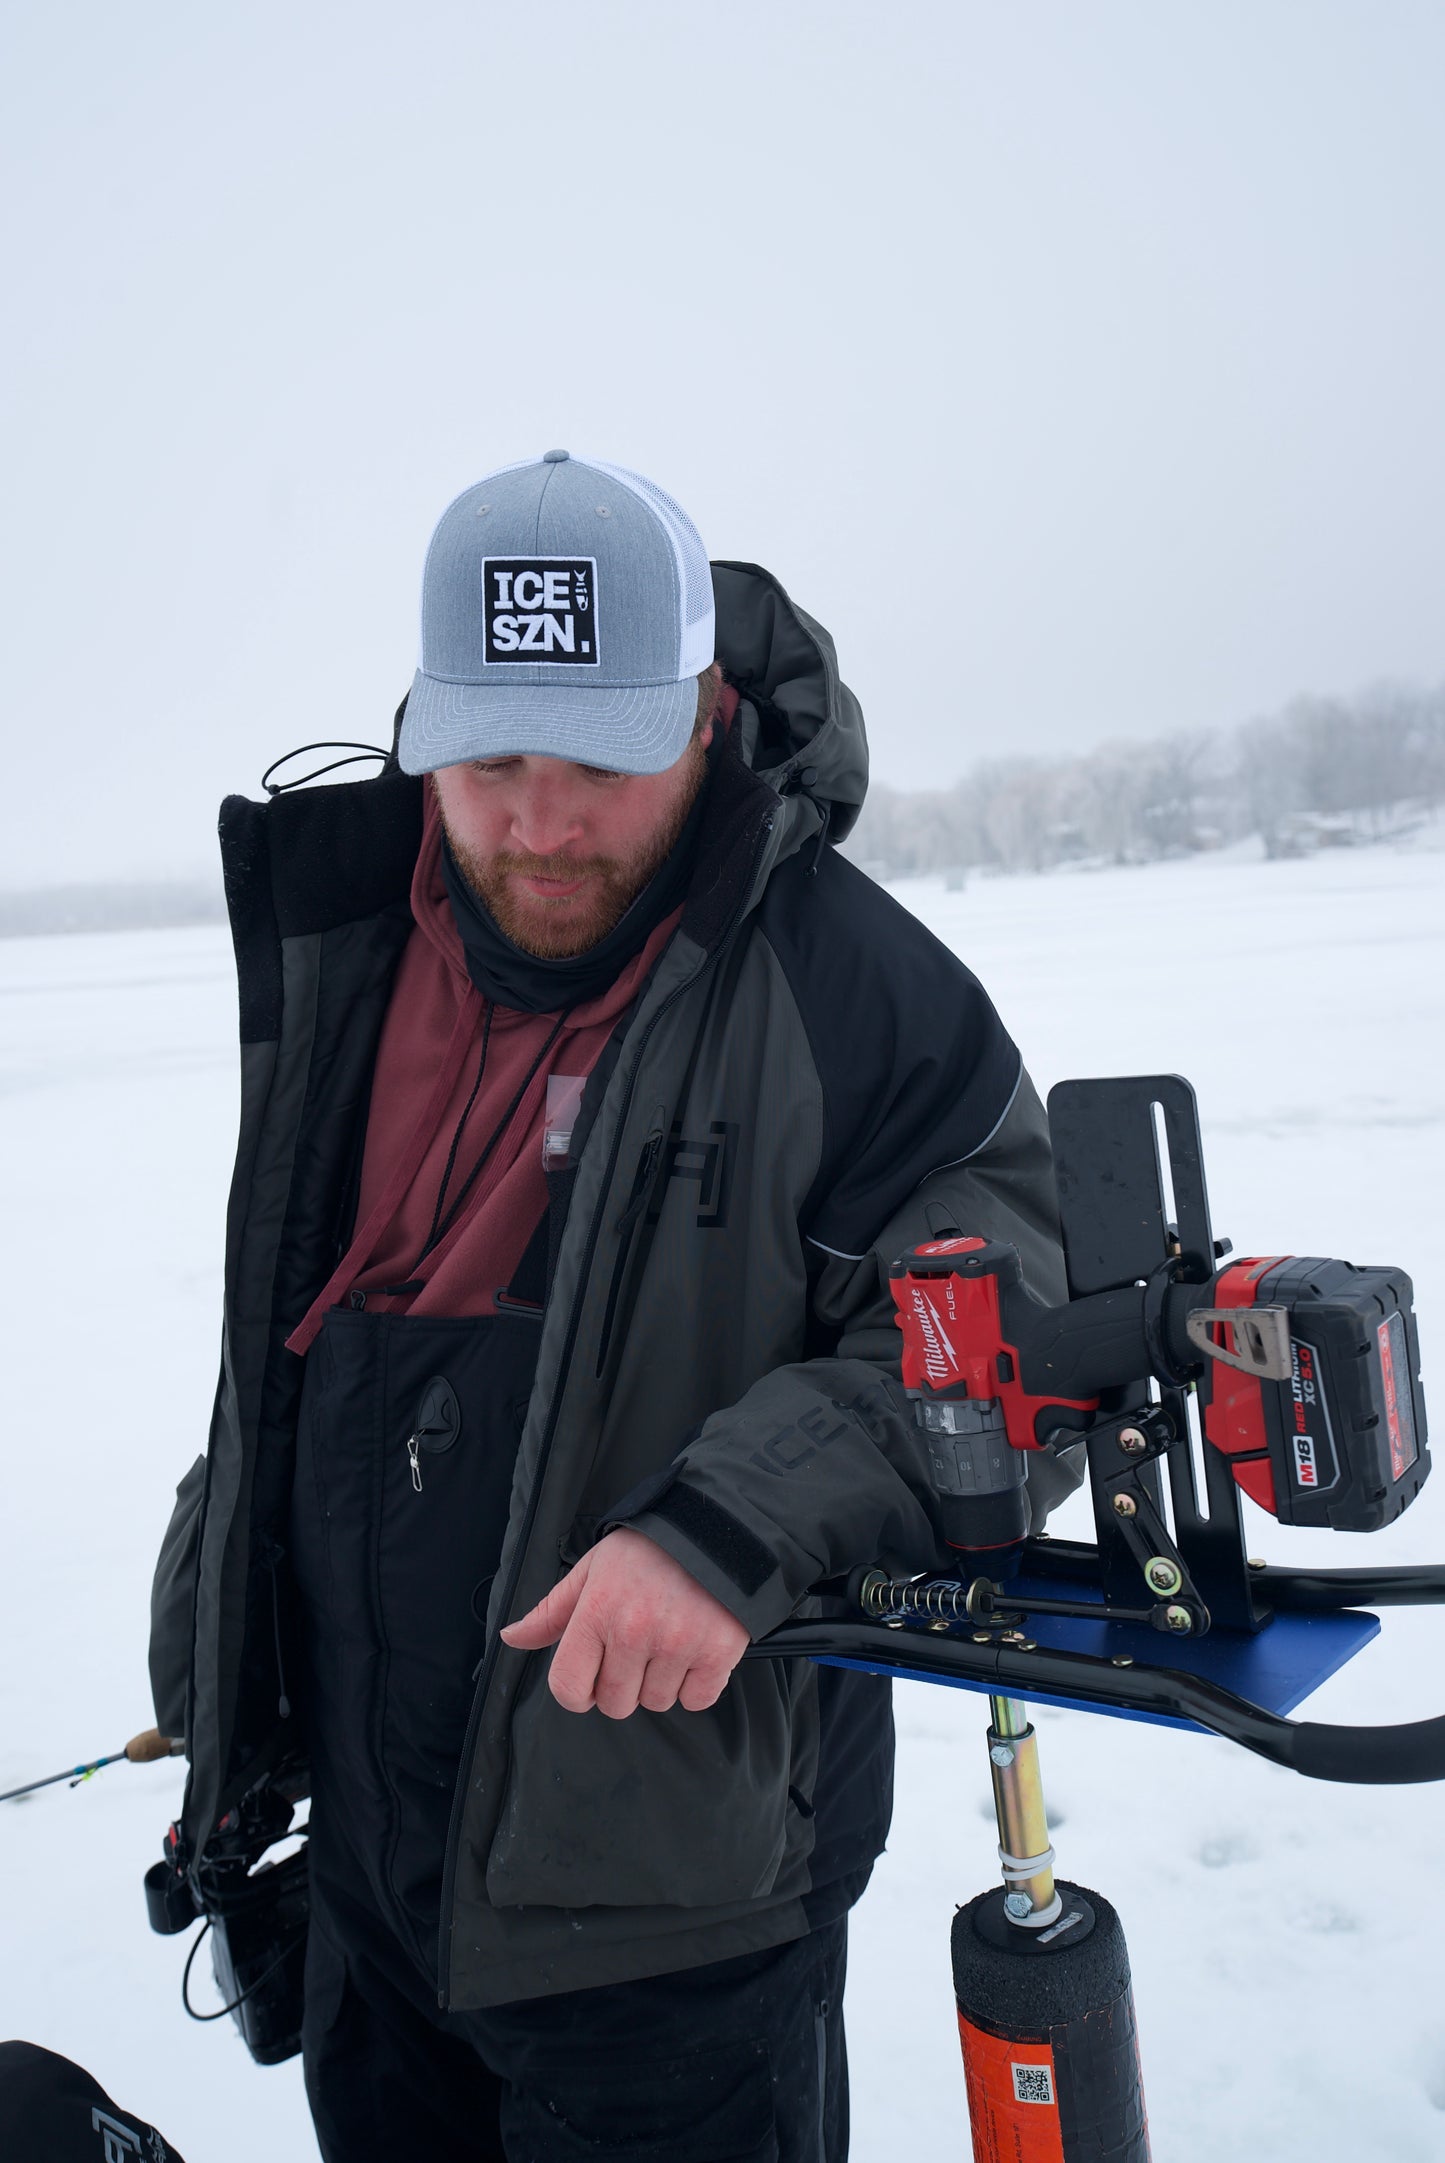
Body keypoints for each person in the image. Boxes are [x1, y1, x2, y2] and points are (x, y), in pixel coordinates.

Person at [147, 450, 1081, 2160]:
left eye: (602, 759)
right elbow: (285, 1359)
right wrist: (226, 1633)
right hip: (370, 1883)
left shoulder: (848, 985)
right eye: (490, 759)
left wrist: (729, 1522)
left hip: (679, 1930)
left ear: (705, 715)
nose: (541, 820)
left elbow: (1017, 1330)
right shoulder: (347, 947)